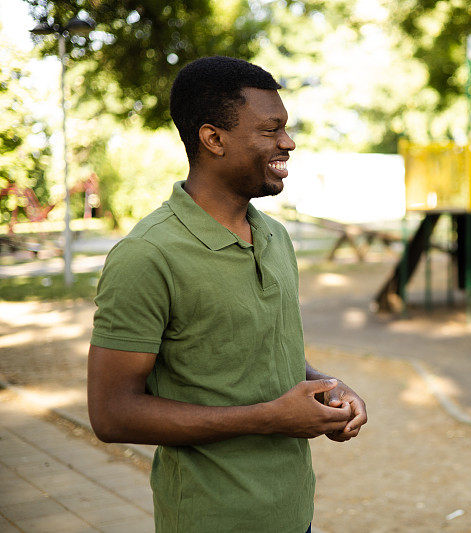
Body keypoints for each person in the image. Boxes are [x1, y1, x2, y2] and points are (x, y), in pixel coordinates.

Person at [87, 56, 367, 533]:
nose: (288, 142)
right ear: (213, 139)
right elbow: (112, 414)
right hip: (209, 520)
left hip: (295, 514)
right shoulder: (147, 255)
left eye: (287, 128)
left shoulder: (275, 237)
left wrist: (326, 389)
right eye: (270, 130)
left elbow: (263, 354)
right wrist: (270, 419)